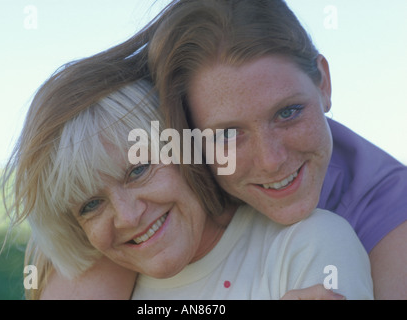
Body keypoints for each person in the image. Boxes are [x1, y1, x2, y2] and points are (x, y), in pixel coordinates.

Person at [1, 48, 372, 300]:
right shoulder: (105, 285)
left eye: (139, 170)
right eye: (92, 204)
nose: (128, 216)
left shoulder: (309, 245)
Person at [145, 0, 407, 299]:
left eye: (288, 112)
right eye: (229, 134)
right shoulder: (139, 197)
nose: (271, 161)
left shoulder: (396, 218)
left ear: (324, 84)